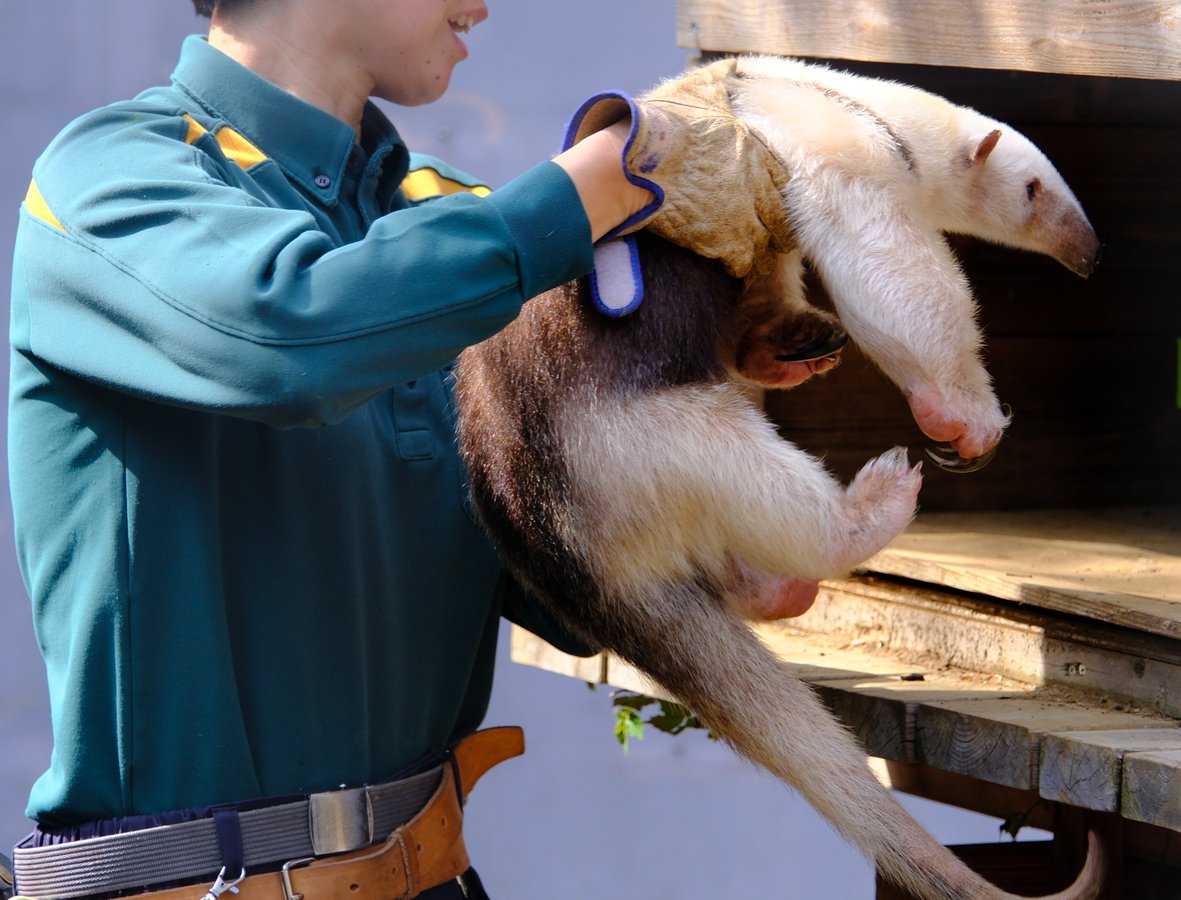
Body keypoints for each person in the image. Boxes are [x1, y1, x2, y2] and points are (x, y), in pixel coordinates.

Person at [5, 1, 791, 897]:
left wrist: (718, 511)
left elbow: (561, 569)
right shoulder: (105, 177)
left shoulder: (446, 222)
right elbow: (290, 333)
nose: (483, 6)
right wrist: (612, 178)